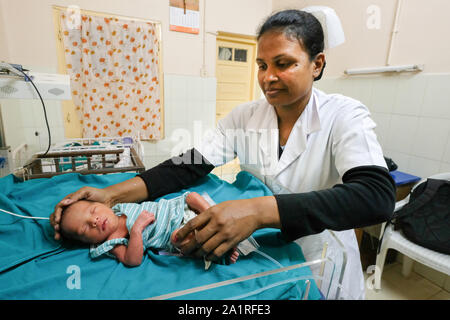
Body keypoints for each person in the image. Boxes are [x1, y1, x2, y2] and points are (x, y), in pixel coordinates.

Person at [51, 10, 395, 299]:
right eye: (261, 65)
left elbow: (376, 197)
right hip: (259, 249)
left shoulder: (344, 115)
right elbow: (186, 167)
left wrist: (257, 210)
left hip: (321, 253)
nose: (268, 77)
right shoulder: (244, 117)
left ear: (317, 64)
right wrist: (110, 194)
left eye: (283, 63)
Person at [58, 191, 240, 267]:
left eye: (93, 210)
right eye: (84, 229)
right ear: (85, 242)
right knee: (181, 238)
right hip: (176, 231)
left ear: (102, 203)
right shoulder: (110, 244)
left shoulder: (117, 208)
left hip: (177, 209)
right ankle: (219, 242)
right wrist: (136, 230)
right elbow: (132, 260)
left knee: (192, 196)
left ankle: (215, 217)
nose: (94, 221)